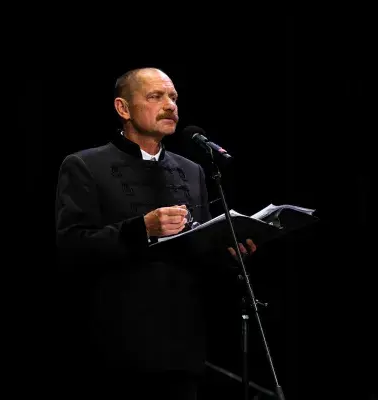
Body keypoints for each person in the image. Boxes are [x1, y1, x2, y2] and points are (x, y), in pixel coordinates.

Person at [55, 67, 257, 399]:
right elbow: (72, 247)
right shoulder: (84, 165)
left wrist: (228, 253)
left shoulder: (191, 170)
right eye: (155, 96)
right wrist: (142, 229)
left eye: (173, 98)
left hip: (182, 347)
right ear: (123, 108)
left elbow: (199, 250)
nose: (170, 105)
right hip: (116, 349)